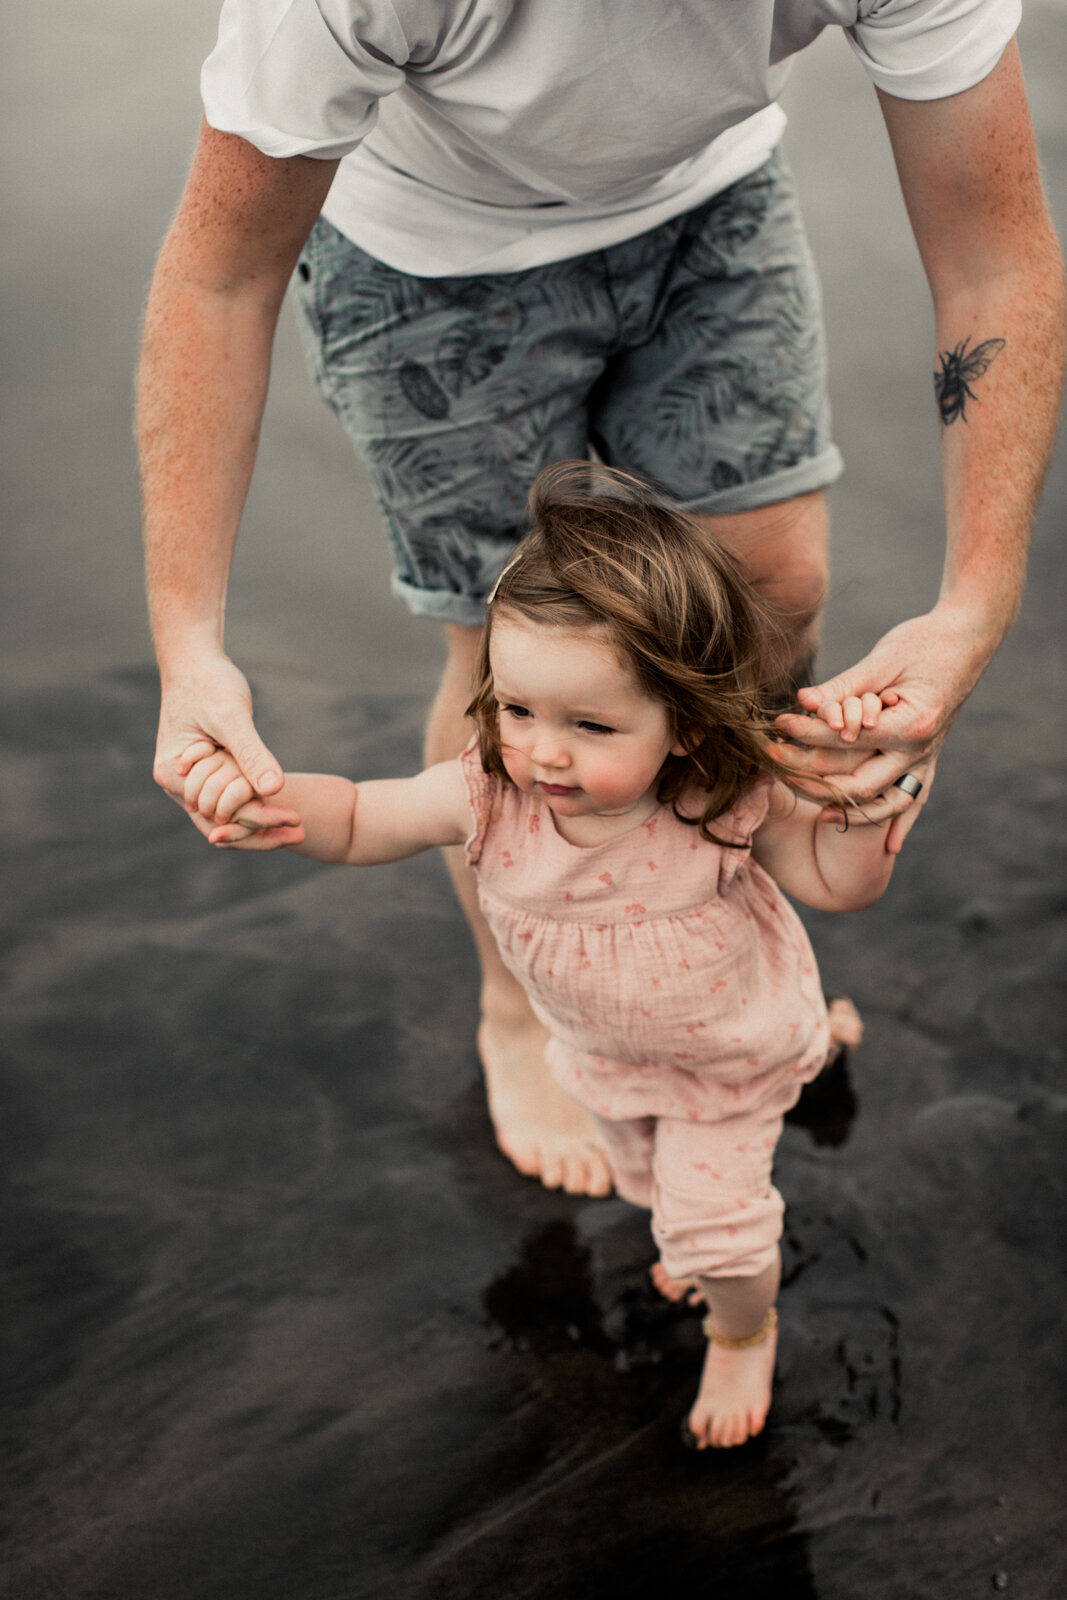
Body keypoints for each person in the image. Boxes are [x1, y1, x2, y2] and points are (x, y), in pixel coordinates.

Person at [139, 0, 1065, 1197]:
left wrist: (971, 603)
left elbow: (994, 255)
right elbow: (219, 282)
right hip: (429, 254)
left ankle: (721, 966)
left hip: (705, 198)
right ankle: (526, 1008)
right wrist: (189, 643)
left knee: (765, 599)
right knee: (513, 661)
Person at [177, 463, 904, 1448]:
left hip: (727, 1057)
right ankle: (766, 1121)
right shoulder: (489, 796)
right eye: (517, 710)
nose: (543, 752)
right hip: (603, 1055)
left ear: (681, 722)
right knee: (642, 1177)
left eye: (589, 724)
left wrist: (865, 817)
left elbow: (833, 880)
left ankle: (743, 1326)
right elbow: (359, 814)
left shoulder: (714, 798)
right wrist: (267, 803)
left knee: (720, 1228)